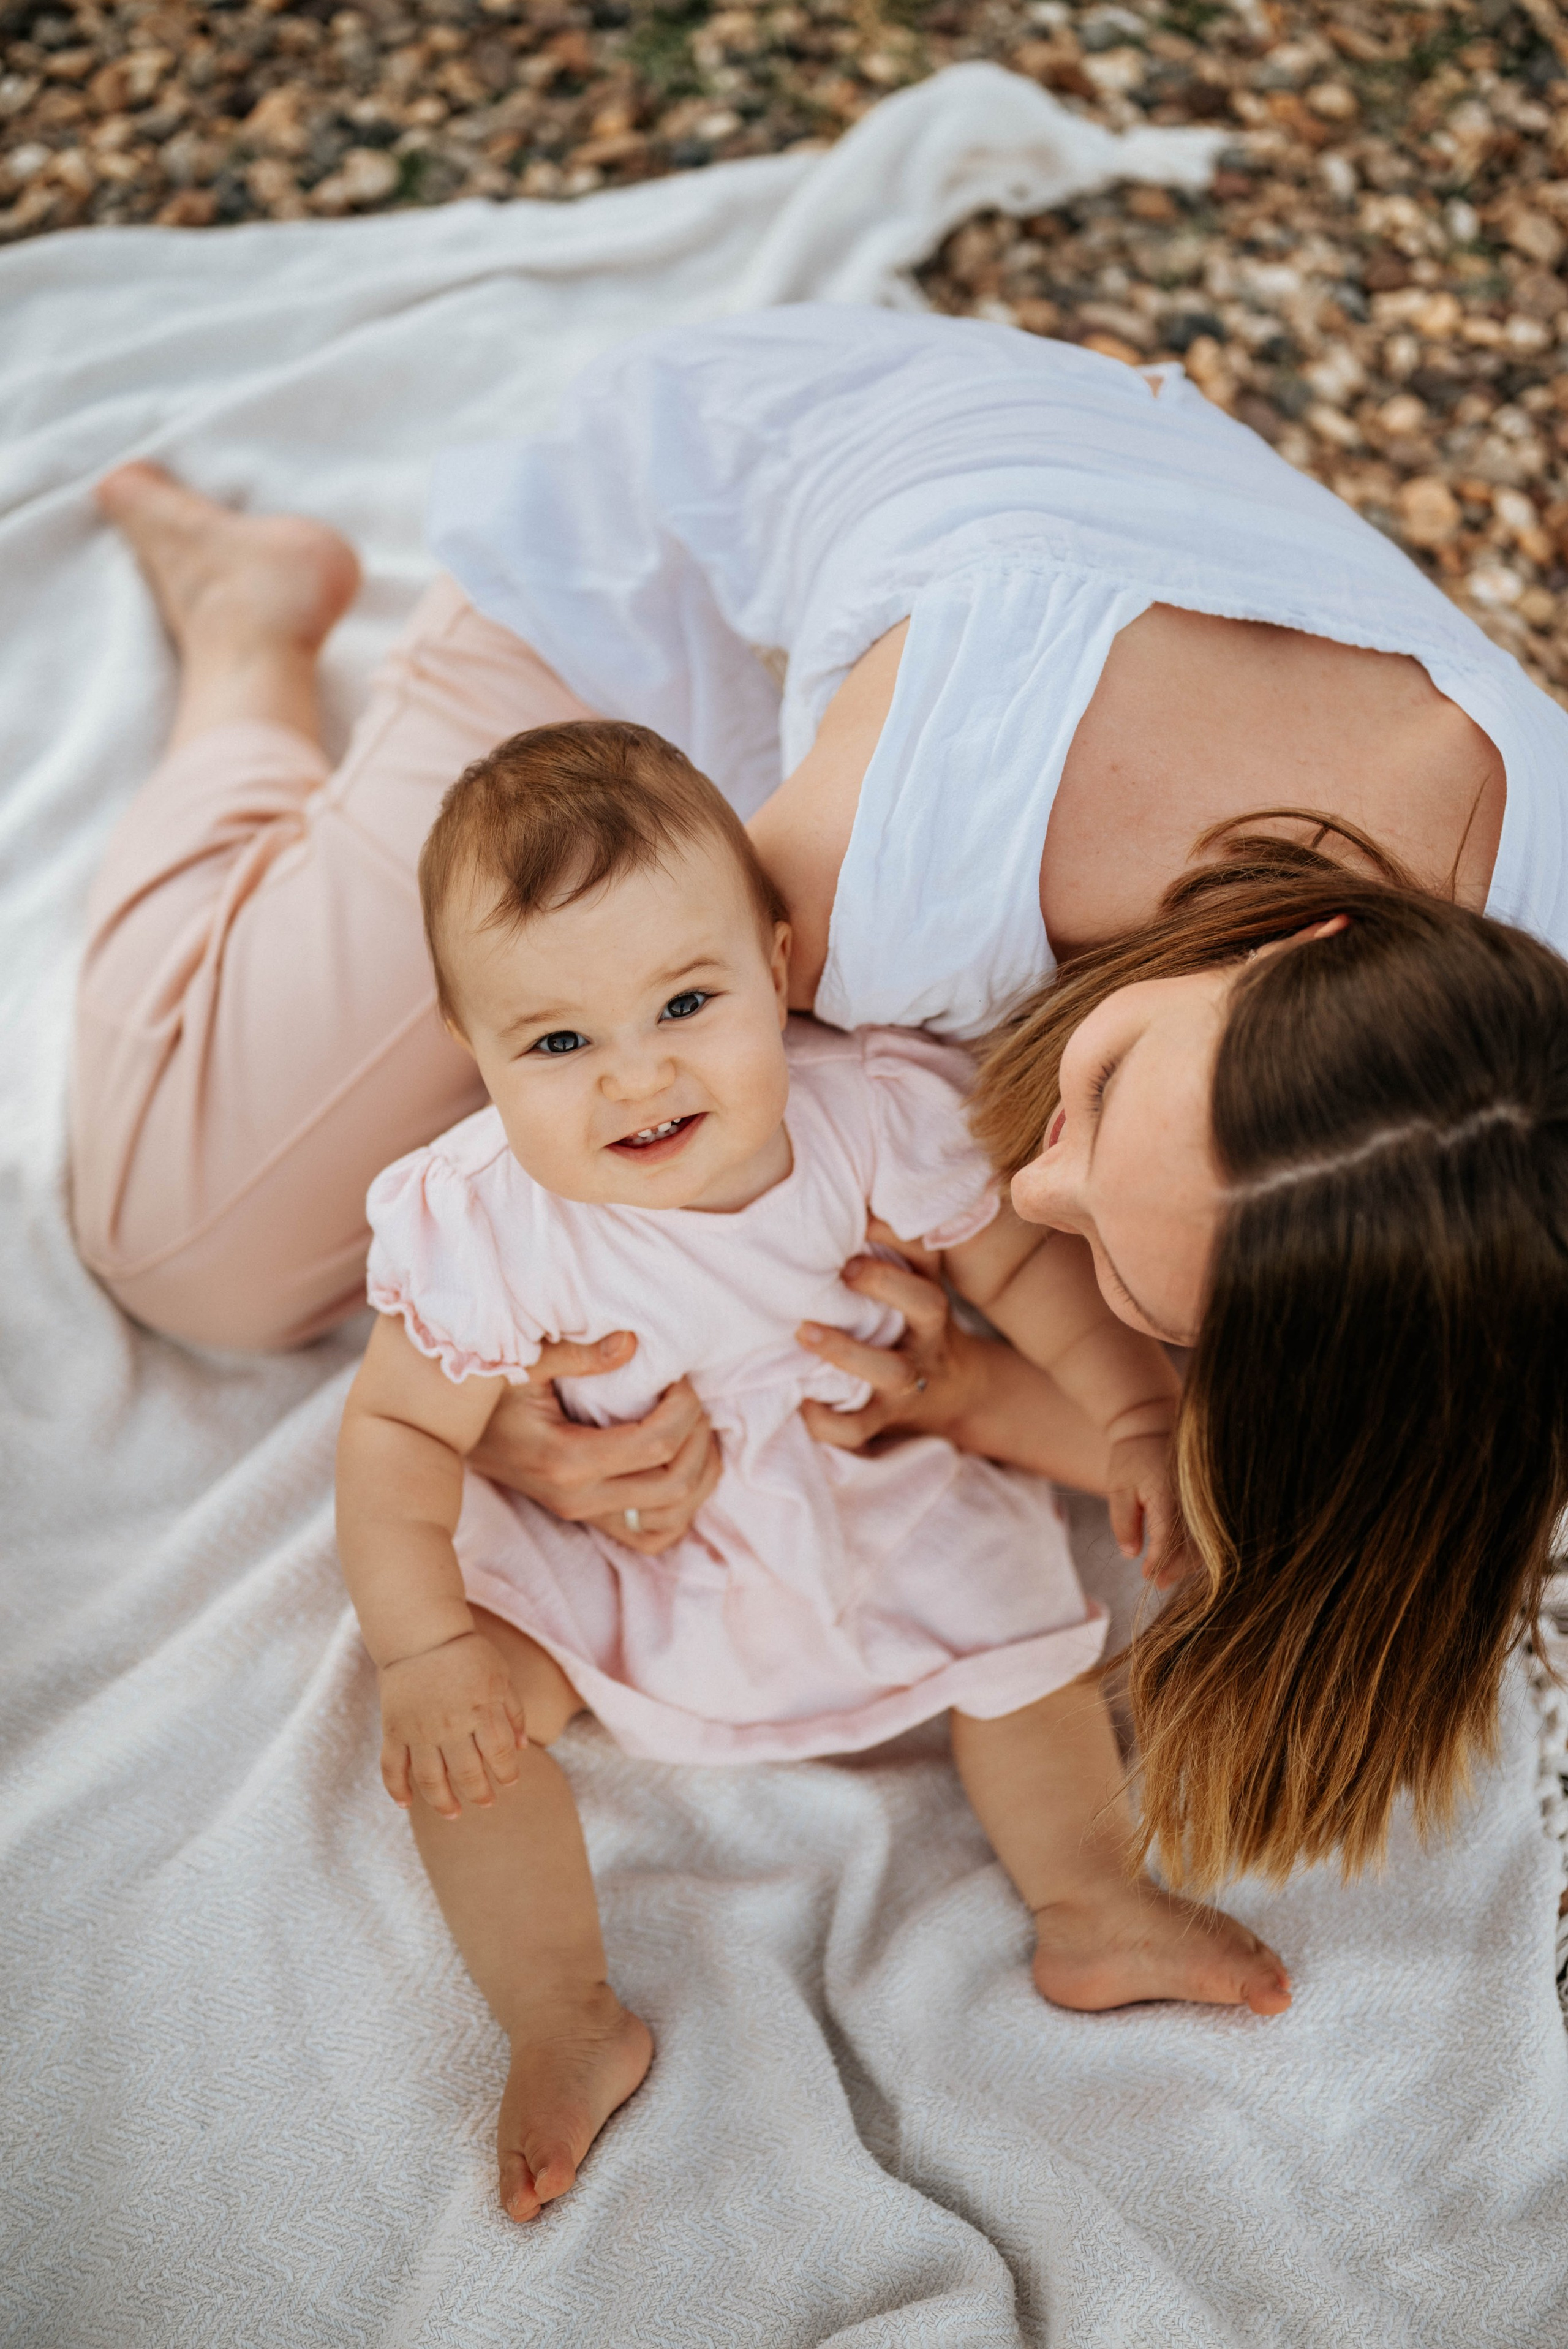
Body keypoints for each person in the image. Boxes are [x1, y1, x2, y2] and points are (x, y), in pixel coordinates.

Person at [70, 309, 1568, 1876]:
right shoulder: (874, 871)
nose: (1029, 1192)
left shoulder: (1512, 1067)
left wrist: (1009, 1392)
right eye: (1102, 1096)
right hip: (679, 632)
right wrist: (497, 1406)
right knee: (195, 1242)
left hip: (1038, 562)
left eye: (1129, 1266)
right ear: (1309, 945)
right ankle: (248, 638)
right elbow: (602, 1139)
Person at [335, 718, 1291, 2223]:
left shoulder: (865, 1113)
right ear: (473, 1049)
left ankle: (1088, 1903)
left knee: (1023, 1653)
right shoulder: (488, 1221)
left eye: (686, 1001)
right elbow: (394, 1434)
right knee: (471, 1737)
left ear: (778, 969)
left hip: (861, 1476)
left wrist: (1125, 1416)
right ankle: (562, 2012)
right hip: (624, 1530)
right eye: (557, 1042)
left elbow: (1026, 1277)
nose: (634, 1077)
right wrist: (423, 1647)